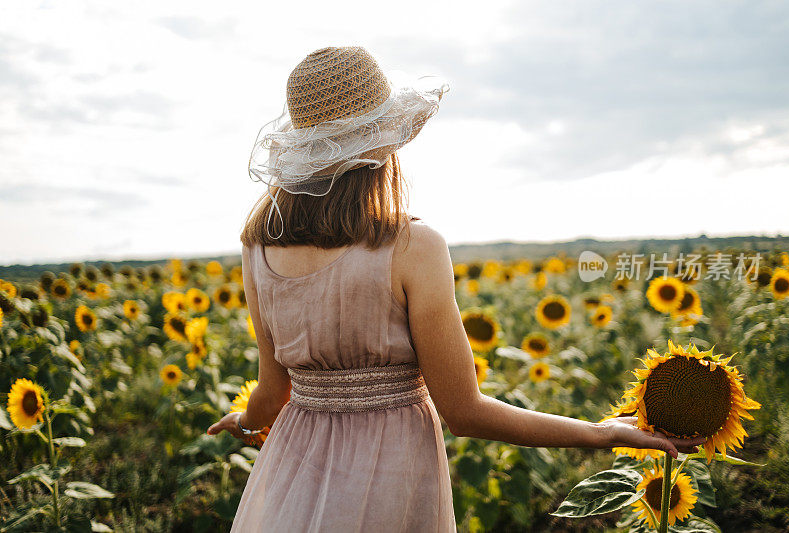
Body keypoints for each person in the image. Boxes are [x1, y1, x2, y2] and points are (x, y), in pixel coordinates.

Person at [206, 45, 706, 532]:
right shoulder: (411, 247)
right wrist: (602, 434)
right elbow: (465, 413)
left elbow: (273, 391)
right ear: (383, 144)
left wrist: (245, 421)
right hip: (388, 476)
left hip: (292, 471)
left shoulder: (258, 248)